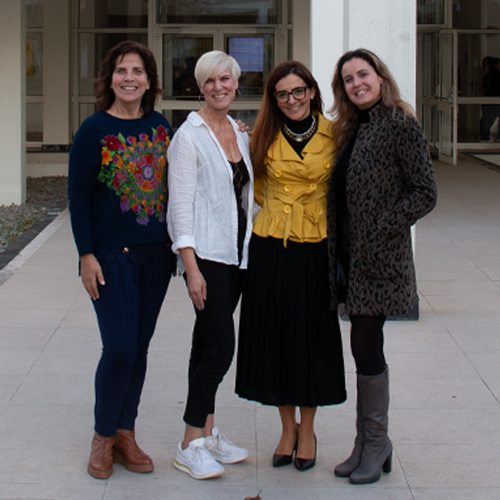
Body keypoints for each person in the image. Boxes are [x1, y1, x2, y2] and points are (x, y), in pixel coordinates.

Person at [327, 48, 437, 485]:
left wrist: (381, 227)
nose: (357, 84)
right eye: (349, 79)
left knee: (365, 345)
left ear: (380, 77)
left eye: (363, 75)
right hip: (348, 258)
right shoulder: (348, 129)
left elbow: (425, 192)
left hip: (379, 258)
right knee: (362, 346)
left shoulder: (400, 124)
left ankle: (376, 442)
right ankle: (366, 443)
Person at [68, 40, 175, 479]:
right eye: (121, 70)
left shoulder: (161, 127)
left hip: (156, 256)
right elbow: (78, 199)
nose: (129, 77)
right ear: (109, 79)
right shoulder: (93, 129)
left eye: (138, 71)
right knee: (119, 348)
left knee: (140, 348)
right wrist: (85, 255)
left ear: (149, 81)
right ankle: (103, 437)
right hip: (111, 257)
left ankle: (126, 432)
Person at [235, 61, 347, 472]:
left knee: (311, 337)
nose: (292, 99)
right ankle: (287, 429)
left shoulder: (337, 135)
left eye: (299, 91)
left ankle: (308, 430)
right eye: (282, 94)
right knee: (276, 335)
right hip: (271, 242)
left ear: (312, 92)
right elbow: (257, 189)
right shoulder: (261, 135)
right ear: (274, 98)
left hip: (316, 244)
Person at [167, 50, 254, 480]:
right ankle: (189, 444)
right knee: (221, 348)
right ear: (199, 87)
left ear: (236, 84)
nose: (218, 87)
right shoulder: (188, 137)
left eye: (225, 79)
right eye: (210, 81)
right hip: (207, 258)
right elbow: (179, 207)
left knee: (204, 345)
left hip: (237, 256)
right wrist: (191, 268)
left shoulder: (239, 133)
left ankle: (207, 432)